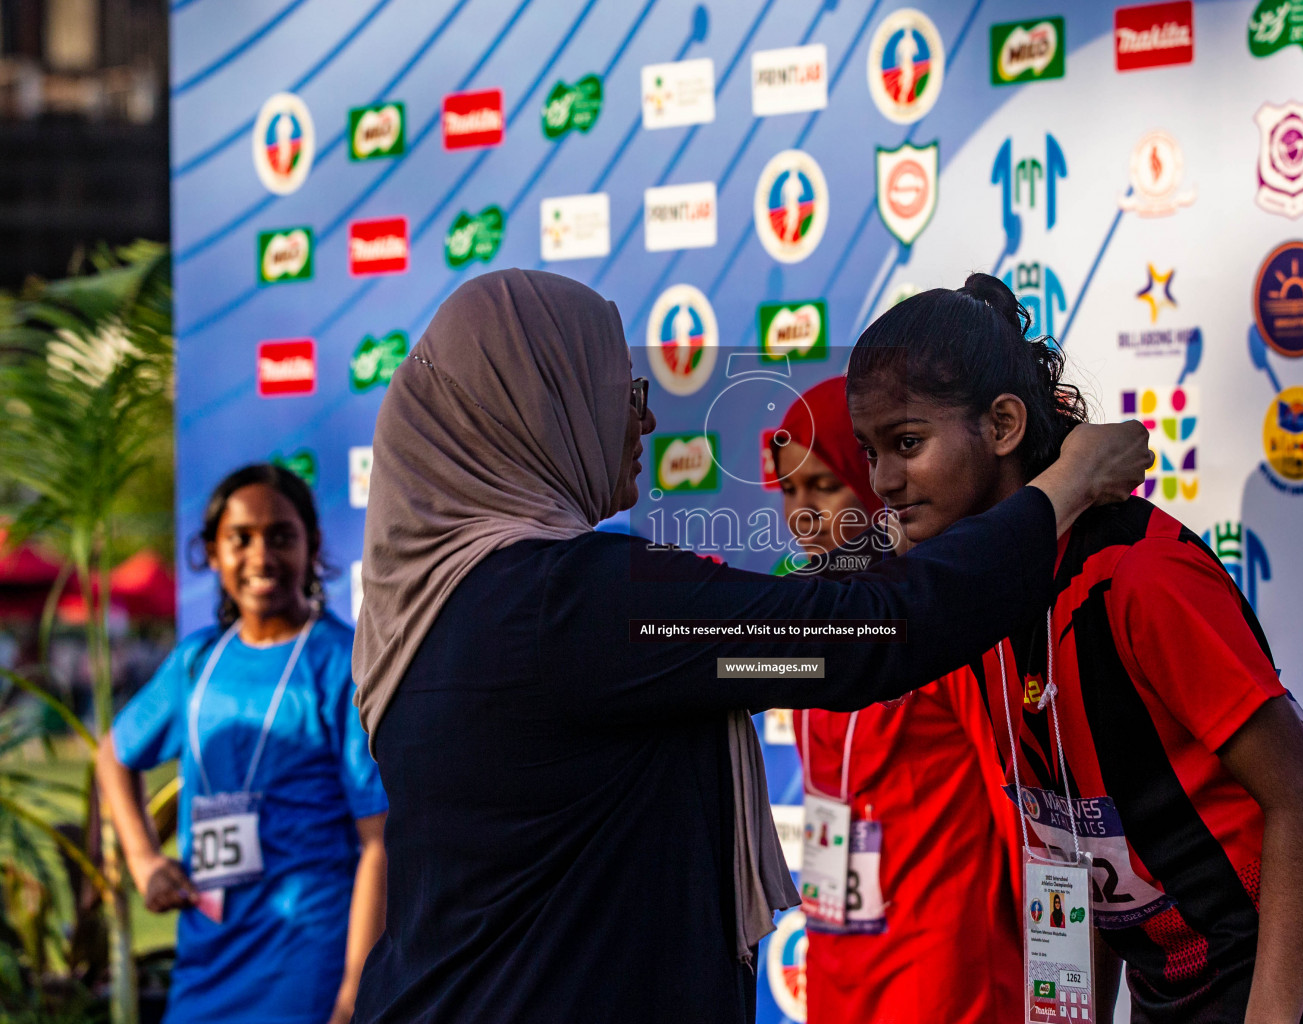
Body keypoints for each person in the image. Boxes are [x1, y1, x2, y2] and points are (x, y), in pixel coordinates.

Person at [347, 269, 1150, 1023]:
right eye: (623, 393)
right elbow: (864, 638)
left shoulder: (448, 610)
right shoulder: (564, 605)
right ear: (537, 408)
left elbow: (796, 637)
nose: (647, 420)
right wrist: (1064, 488)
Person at [844, 273, 1303, 1024]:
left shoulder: (1139, 575)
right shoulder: (969, 602)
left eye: (907, 443)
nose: (882, 481)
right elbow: (1069, 850)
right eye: (869, 450)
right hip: (1173, 990)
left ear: (1005, 425)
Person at [771, 376, 1026, 1024]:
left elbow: (1018, 814)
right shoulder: (810, 622)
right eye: (789, 489)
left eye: (823, 485)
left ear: (870, 482)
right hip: (838, 972)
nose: (803, 511)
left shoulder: (944, 621)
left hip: (949, 979)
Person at [96, 464, 388, 1024]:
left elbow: (379, 840)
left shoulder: (343, 665)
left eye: (281, 536)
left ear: (312, 546)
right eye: (241, 539)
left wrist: (353, 988)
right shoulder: (197, 662)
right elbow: (114, 752)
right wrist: (144, 861)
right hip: (207, 956)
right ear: (211, 552)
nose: (261, 557)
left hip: (306, 957)